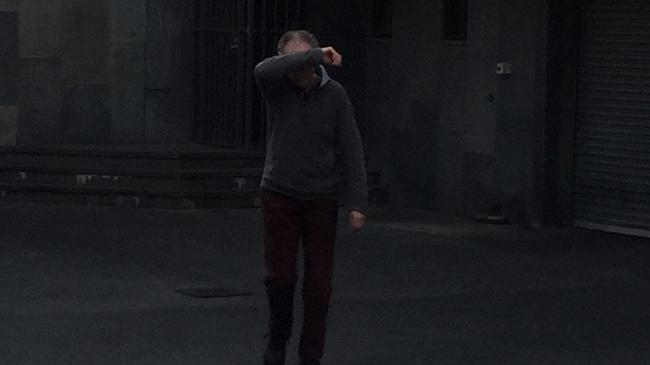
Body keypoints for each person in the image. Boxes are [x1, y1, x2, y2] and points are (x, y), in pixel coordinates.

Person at [254, 30, 368, 365]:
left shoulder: (335, 95)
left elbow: (351, 147)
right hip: (280, 193)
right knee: (281, 276)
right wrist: (315, 55)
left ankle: (311, 356)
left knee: (319, 285)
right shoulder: (276, 89)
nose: (301, 70)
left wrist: (357, 201)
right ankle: (278, 335)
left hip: (321, 197)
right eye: (295, 61)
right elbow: (262, 69)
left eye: (308, 60)